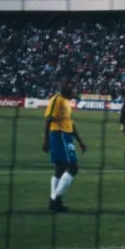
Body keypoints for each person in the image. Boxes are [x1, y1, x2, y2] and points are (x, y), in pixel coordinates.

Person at [42, 82, 87, 213]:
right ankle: (55, 199)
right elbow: (48, 120)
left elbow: (70, 123)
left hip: (65, 135)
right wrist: (46, 141)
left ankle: (55, 201)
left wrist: (80, 141)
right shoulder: (57, 100)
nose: (73, 91)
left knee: (60, 169)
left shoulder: (66, 102)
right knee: (73, 167)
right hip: (59, 135)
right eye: (71, 89)